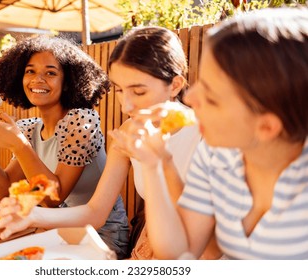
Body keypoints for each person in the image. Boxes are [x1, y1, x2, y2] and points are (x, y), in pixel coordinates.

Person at [0, 26, 213, 260]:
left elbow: (200, 241)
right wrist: (33, 216)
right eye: (119, 90)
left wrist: (158, 163)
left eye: (138, 92)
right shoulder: (129, 132)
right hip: (153, 247)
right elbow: (95, 211)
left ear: (175, 86)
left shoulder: (208, 135)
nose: (125, 107)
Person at [112, 7, 308, 259]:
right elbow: (179, 252)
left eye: (212, 97)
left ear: (266, 127)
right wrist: (156, 164)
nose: (191, 98)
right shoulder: (216, 155)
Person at [0, 35, 129, 258]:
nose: (37, 79)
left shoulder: (82, 122)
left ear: (68, 83)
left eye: (51, 72)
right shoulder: (30, 129)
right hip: (57, 233)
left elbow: (55, 199)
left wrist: (19, 145)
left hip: (101, 238)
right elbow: (5, 189)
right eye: (30, 71)